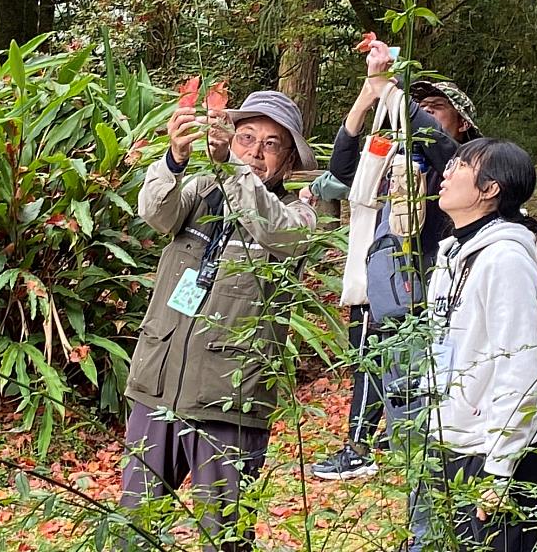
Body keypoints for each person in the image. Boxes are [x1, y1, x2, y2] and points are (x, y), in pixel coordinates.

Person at [119, 91, 317, 551]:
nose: (255, 151)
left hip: (231, 399)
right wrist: (177, 155)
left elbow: (277, 232)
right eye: (246, 137)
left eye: (271, 144)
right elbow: (155, 213)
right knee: (135, 526)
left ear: (289, 159)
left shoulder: (300, 212)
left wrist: (231, 166)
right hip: (158, 383)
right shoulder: (203, 187)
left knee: (223, 538)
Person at [310, 40, 483, 480]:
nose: (422, 111)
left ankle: (405, 443)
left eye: (434, 106)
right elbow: (343, 167)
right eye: (418, 103)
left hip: (424, 278)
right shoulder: (394, 154)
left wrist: (395, 94)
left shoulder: (464, 165)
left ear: (461, 122)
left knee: (415, 362)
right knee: (366, 357)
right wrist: (369, 94)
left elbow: (433, 137)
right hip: (377, 273)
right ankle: (364, 442)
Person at [423, 138, 537, 551]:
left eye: (460, 165)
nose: (446, 172)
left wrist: (499, 470)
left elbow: (518, 369)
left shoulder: (506, 261)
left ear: (490, 188)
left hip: (501, 457)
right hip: (456, 444)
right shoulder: (451, 255)